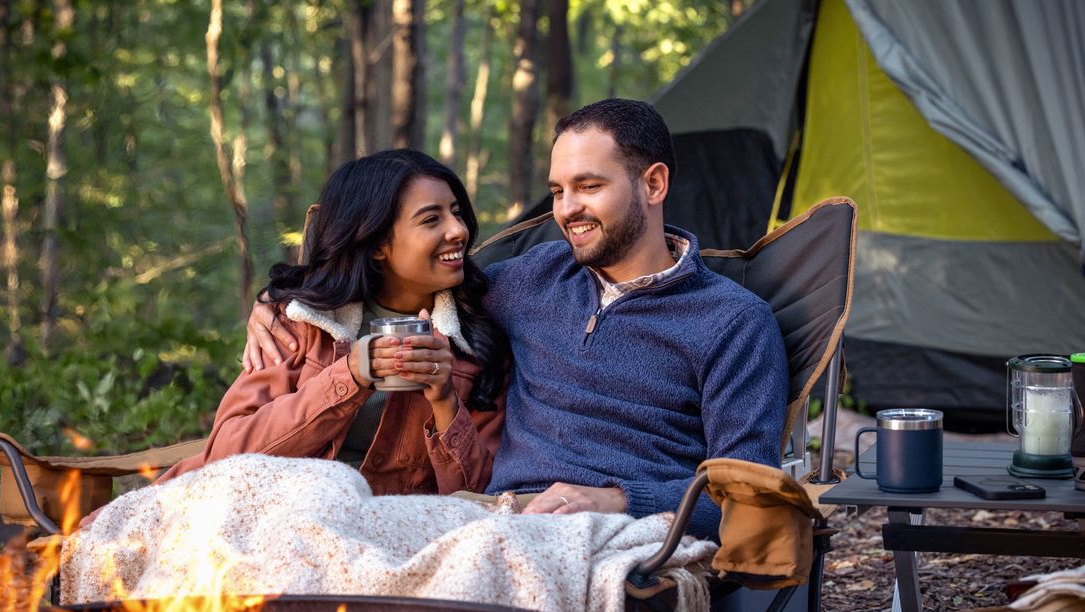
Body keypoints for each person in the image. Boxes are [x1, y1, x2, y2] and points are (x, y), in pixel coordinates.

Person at [245, 100, 787, 539]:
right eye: (557, 191)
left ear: (653, 184)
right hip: (490, 516)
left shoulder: (734, 323)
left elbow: (749, 496)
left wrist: (617, 500)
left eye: (589, 187)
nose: (566, 210)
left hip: (627, 529)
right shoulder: (530, 280)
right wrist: (286, 303)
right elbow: (409, 273)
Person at [158, 148, 509, 496]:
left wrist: (445, 399)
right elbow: (226, 454)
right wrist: (349, 376)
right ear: (376, 244)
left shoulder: (475, 344)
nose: (458, 230)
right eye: (431, 219)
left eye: (457, 213)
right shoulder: (299, 322)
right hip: (274, 507)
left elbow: (481, 497)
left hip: (385, 527)